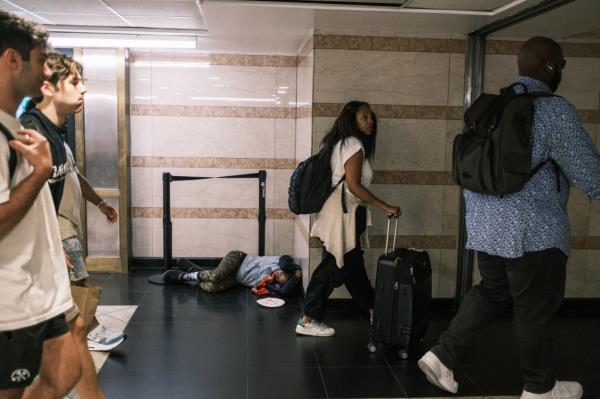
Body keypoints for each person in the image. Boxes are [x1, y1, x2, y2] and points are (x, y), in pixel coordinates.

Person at [418, 37, 600, 399]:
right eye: (561, 64)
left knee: (491, 290)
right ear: (549, 65)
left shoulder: (493, 105)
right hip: (533, 233)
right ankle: (539, 389)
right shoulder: (554, 110)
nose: (562, 70)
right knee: (534, 308)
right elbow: (593, 177)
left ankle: (442, 356)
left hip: (486, 227)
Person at [20, 52, 121, 399]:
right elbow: (21, 200)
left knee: (71, 338)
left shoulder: (57, 135)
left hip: (46, 252)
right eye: (75, 82)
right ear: (47, 87)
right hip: (28, 263)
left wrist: (99, 202)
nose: (84, 90)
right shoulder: (30, 134)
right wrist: (48, 246)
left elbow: (65, 183)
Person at [0, 11, 81, 399]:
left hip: (39, 288)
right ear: (12, 60)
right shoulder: (8, 135)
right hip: (10, 300)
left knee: (65, 372)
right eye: (39, 58)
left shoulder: (14, 130)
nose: (45, 71)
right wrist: (39, 174)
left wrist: (53, 250)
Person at [295, 101, 401, 337]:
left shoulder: (338, 143)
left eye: (371, 117)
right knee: (333, 267)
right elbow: (353, 185)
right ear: (351, 119)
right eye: (364, 117)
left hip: (336, 212)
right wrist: (385, 206)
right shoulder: (353, 144)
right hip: (343, 215)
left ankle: (375, 311)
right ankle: (307, 320)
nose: (370, 121)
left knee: (352, 266)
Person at [162, 253, 302, 297]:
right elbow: (285, 263)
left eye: (278, 278)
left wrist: (296, 277)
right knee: (216, 275)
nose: (277, 274)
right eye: (281, 273)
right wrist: (294, 269)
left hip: (237, 278)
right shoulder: (281, 261)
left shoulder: (271, 285)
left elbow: (284, 291)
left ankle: (193, 269)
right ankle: (185, 277)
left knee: (212, 287)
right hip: (238, 259)